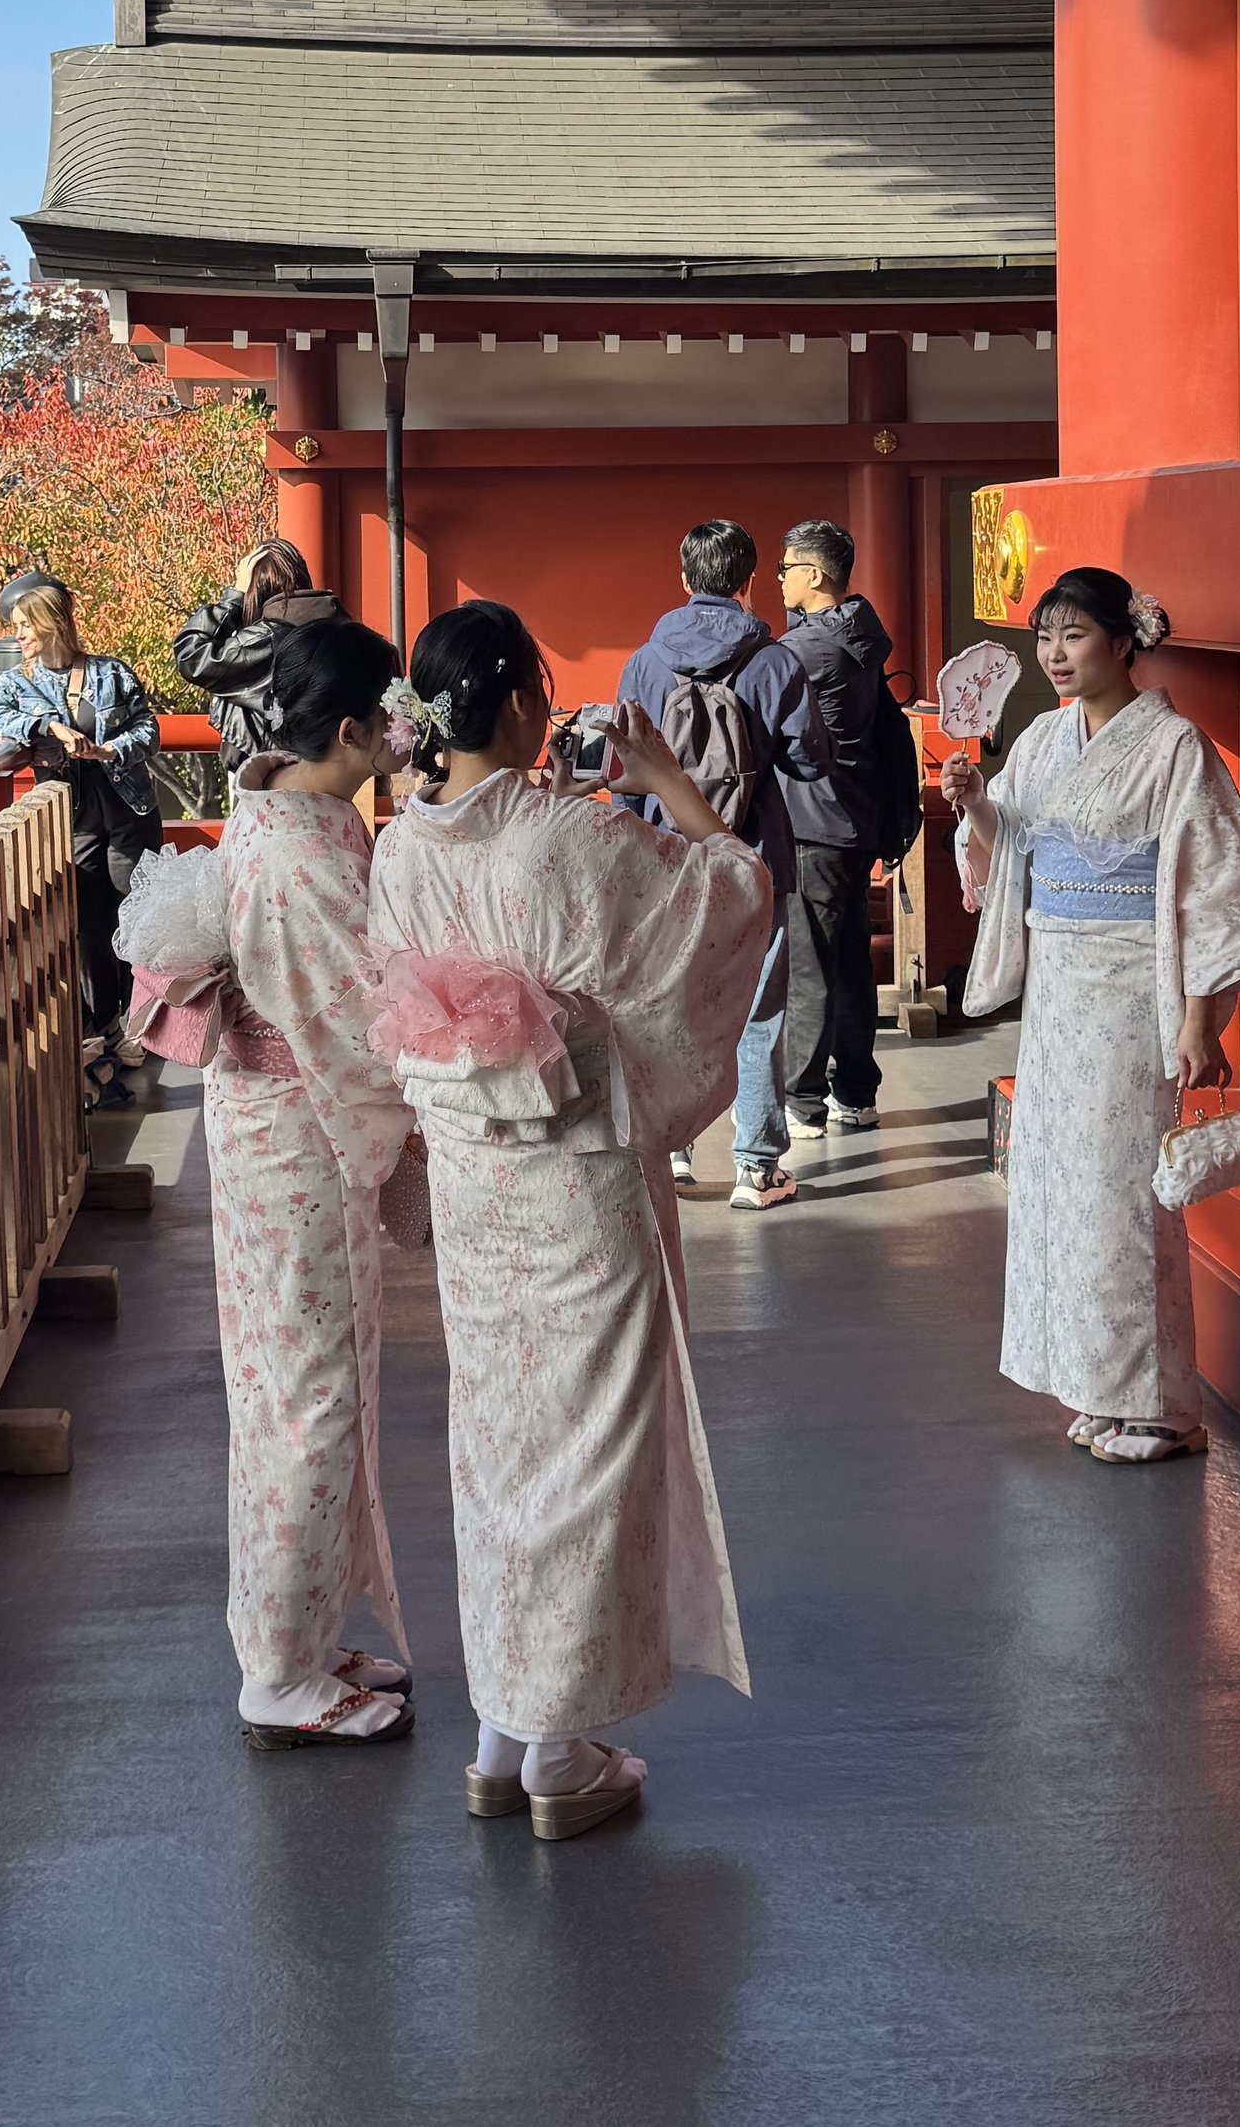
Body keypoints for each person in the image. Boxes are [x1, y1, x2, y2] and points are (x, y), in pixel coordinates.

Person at [369, 599, 769, 1840]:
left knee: (497, 1450)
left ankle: (502, 1729)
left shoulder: (398, 851)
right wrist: (671, 785)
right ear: (523, 703)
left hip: (473, 1189)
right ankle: (555, 1748)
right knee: (588, 1455)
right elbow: (730, 899)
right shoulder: (572, 838)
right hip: (578, 1183)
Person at [142, 610, 421, 1752]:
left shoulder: (275, 812)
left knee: (295, 1383)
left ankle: (300, 1631)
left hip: (271, 1127)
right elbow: (360, 1022)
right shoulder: (305, 853)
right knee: (309, 1394)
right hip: (298, 1131)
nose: (401, 732)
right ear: (349, 730)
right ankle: (281, 1671)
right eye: (387, 717)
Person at [944, 566, 1240, 1467]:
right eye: (1045, 637)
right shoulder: (1043, 740)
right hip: (1059, 987)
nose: (1055, 654)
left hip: (1132, 985)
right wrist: (977, 806)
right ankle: (1100, 1386)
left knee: (1123, 1188)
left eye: (1075, 635)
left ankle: (1162, 1405)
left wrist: (1200, 1020)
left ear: (1125, 642)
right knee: (1061, 1181)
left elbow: (1211, 885)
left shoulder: (1173, 748)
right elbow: (1011, 849)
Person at [617, 518, 830, 1211]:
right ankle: (756, 1167)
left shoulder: (645, 662)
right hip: (754, 856)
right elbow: (810, 761)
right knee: (759, 1009)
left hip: (667, 859)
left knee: (666, 999)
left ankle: (673, 1149)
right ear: (748, 580)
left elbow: (624, 768)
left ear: (684, 578)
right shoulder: (774, 662)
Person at [0, 570, 163, 1108]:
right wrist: (49, 727)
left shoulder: (110, 672)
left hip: (128, 809)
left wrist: (109, 750)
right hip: (73, 818)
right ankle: (104, 1024)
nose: (17, 636)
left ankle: (139, 1019)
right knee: (87, 925)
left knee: (137, 916)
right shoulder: (18, 684)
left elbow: (149, 731)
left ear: (51, 623)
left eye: (24, 625)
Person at [774, 517, 899, 1140]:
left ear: (815, 575)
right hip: (854, 820)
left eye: (786, 568)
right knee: (850, 963)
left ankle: (802, 1100)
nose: (779, 579)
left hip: (812, 822)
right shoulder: (859, 636)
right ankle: (855, 1090)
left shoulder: (805, 651)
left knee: (809, 968)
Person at [172, 538, 346, 772]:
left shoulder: (263, 640)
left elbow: (191, 656)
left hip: (267, 773)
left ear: (255, 591)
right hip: (329, 771)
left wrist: (233, 598)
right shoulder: (340, 629)